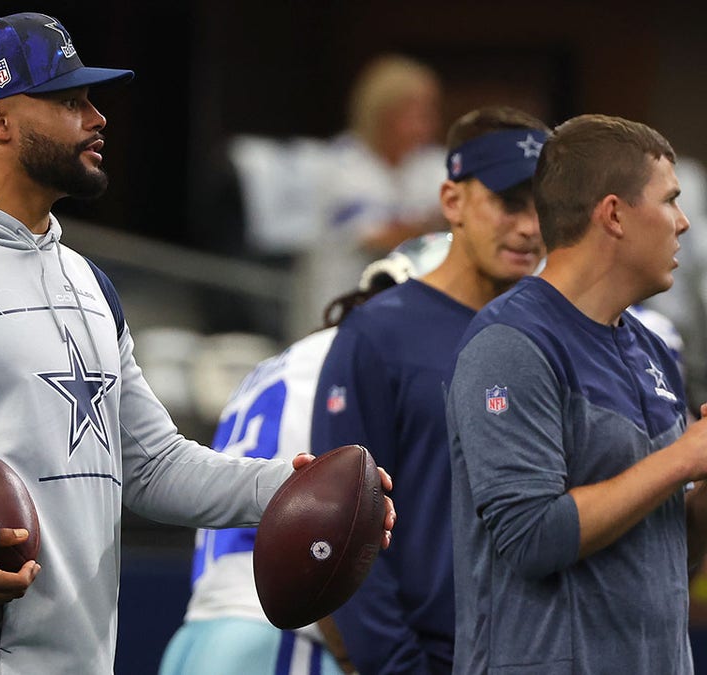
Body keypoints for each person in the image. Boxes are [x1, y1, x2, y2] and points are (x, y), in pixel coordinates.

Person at [0, 12, 394, 674]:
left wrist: (295, 491)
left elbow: (152, 465)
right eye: (70, 101)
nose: (98, 118)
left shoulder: (88, 281)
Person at [447, 114, 702, 673]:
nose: (682, 223)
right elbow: (532, 536)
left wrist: (702, 488)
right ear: (613, 214)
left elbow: (667, 556)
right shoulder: (509, 344)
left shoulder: (652, 349)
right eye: (669, 201)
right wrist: (680, 459)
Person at [310, 106, 552, 674]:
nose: (530, 226)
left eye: (544, 205)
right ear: (453, 201)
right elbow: (342, 526)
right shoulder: (379, 333)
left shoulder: (560, 334)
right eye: (510, 202)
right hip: (427, 657)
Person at [161, 234, 448, 675]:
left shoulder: (291, 358)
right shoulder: (365, 362)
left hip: (204, 632)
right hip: (283, 636)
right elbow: (340, 524)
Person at [289, 54, 447, 338]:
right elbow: (379, 237)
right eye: (415, 113)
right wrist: (440, 223)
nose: (428, 123)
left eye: (429, 112)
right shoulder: (341, 165)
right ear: (382, 113)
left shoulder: (432, 165)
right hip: (336, 316)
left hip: (401, 321)